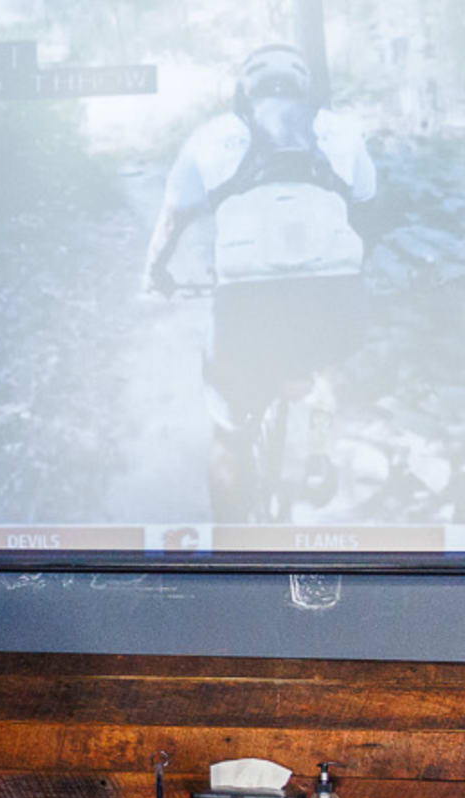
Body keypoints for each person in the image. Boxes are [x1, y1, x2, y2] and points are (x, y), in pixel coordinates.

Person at [141, 46, 379, 521]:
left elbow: (172, 217)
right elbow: (367, 203)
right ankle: (318, 447)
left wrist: (155, 272)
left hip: (244, 307)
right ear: (303, 89)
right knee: (326, 362)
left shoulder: (213, 135)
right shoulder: (341, 130)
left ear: (242, 92)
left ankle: (230, 541)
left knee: (228, 433)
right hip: (334, 297)